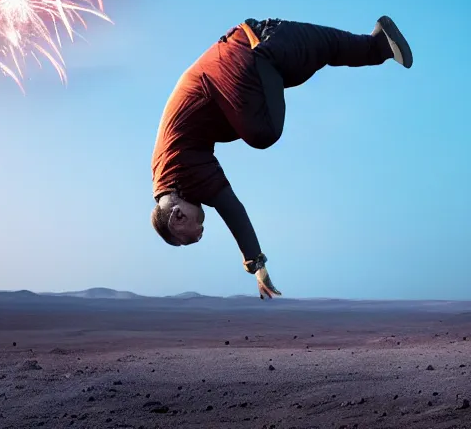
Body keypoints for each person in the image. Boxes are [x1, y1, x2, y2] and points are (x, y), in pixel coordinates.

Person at [150, 16, 413, 299]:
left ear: (177, 217)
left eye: (195, 231)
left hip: (233, 62)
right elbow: (226, 205)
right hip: (235, 56)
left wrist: (256, 264)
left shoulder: (180, 172)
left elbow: (231, 208)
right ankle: (378, 44)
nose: (202, 229)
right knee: (302, 63)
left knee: (263, 131)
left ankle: (266, 47)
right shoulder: (170, 174)